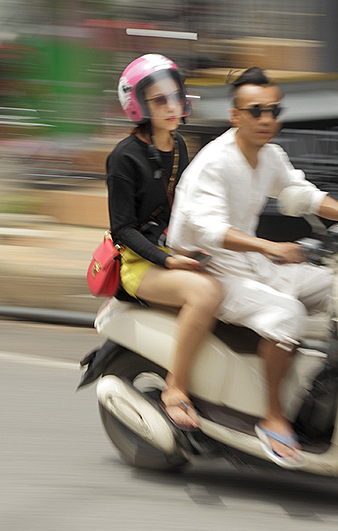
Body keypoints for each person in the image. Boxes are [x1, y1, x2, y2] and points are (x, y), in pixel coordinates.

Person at [169, 67, 338, 467]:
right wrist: (270, 247)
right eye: (256, 111)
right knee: (287, 314)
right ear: (235, 116)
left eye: (274, 111)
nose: (266, 119)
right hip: (212, 270)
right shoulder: (216, 163)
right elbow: (209, 231)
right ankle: (273, 415)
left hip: (253, 261)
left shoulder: (269, 155)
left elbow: (301, 193)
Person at [107, 54, 222, 430]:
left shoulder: (179, 147)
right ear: (138, 106)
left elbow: (182, 210)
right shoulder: (124, 158)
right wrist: (166, 260)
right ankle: (175, 387)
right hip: (139, 264)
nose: (172, 107)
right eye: (159, 100)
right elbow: (123, 230)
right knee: (205, 294)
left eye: (175, 96)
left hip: (171, 250)